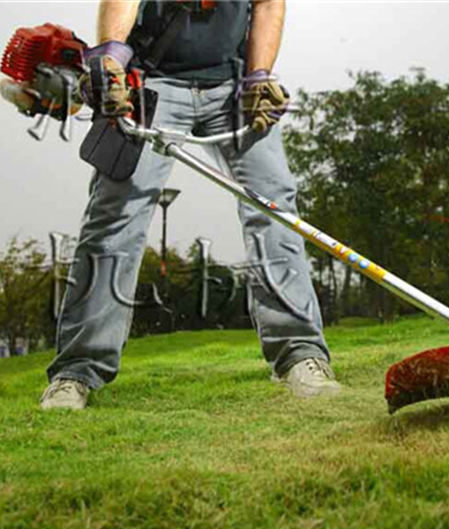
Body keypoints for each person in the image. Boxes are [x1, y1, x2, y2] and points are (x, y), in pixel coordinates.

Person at [40, 0, 341, 410]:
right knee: (115, 219)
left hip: (233, 85)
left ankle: (301, 354)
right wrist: (110, 58)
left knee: (275, 209)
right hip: (153, 82)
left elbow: (269, 4)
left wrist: (258, 77)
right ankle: (76, 373)